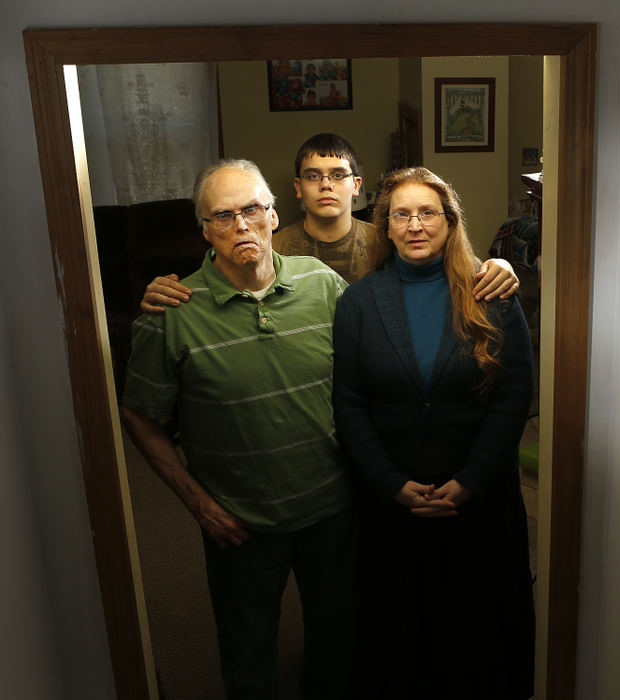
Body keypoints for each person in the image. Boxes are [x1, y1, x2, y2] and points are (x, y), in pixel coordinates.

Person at [120, 159, 356, 699]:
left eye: (252, 209)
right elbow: (139, 415)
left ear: (274, 214)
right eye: (223, 216)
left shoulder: (325, 286)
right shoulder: (170, 312)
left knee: (338, 646)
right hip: (240, 522)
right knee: (249, 660)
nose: (241, 225)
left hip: (333, 512)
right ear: (205, 230)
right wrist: (200, 506)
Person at [332, 167, 535, 700]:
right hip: (393, 502)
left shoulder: (492, 293)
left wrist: (470, 479)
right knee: (402, 637)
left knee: (479, 637)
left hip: (480, 498)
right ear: (386, 226)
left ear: (450, 222)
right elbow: (349, 405)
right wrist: (388, 482)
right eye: (402, 214)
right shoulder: (357, 304)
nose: (415, 224)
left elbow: (514, 400)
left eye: (428, 213)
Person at [140, 133, 519, 311]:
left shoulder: (388, 237)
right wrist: (163, 291)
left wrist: (496, 265)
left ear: (356, 187)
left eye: (337, 175)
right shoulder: (272, 247)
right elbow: (222, 277)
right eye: (313, 176)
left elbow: (446, 266)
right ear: (297, 189)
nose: (325, 185)